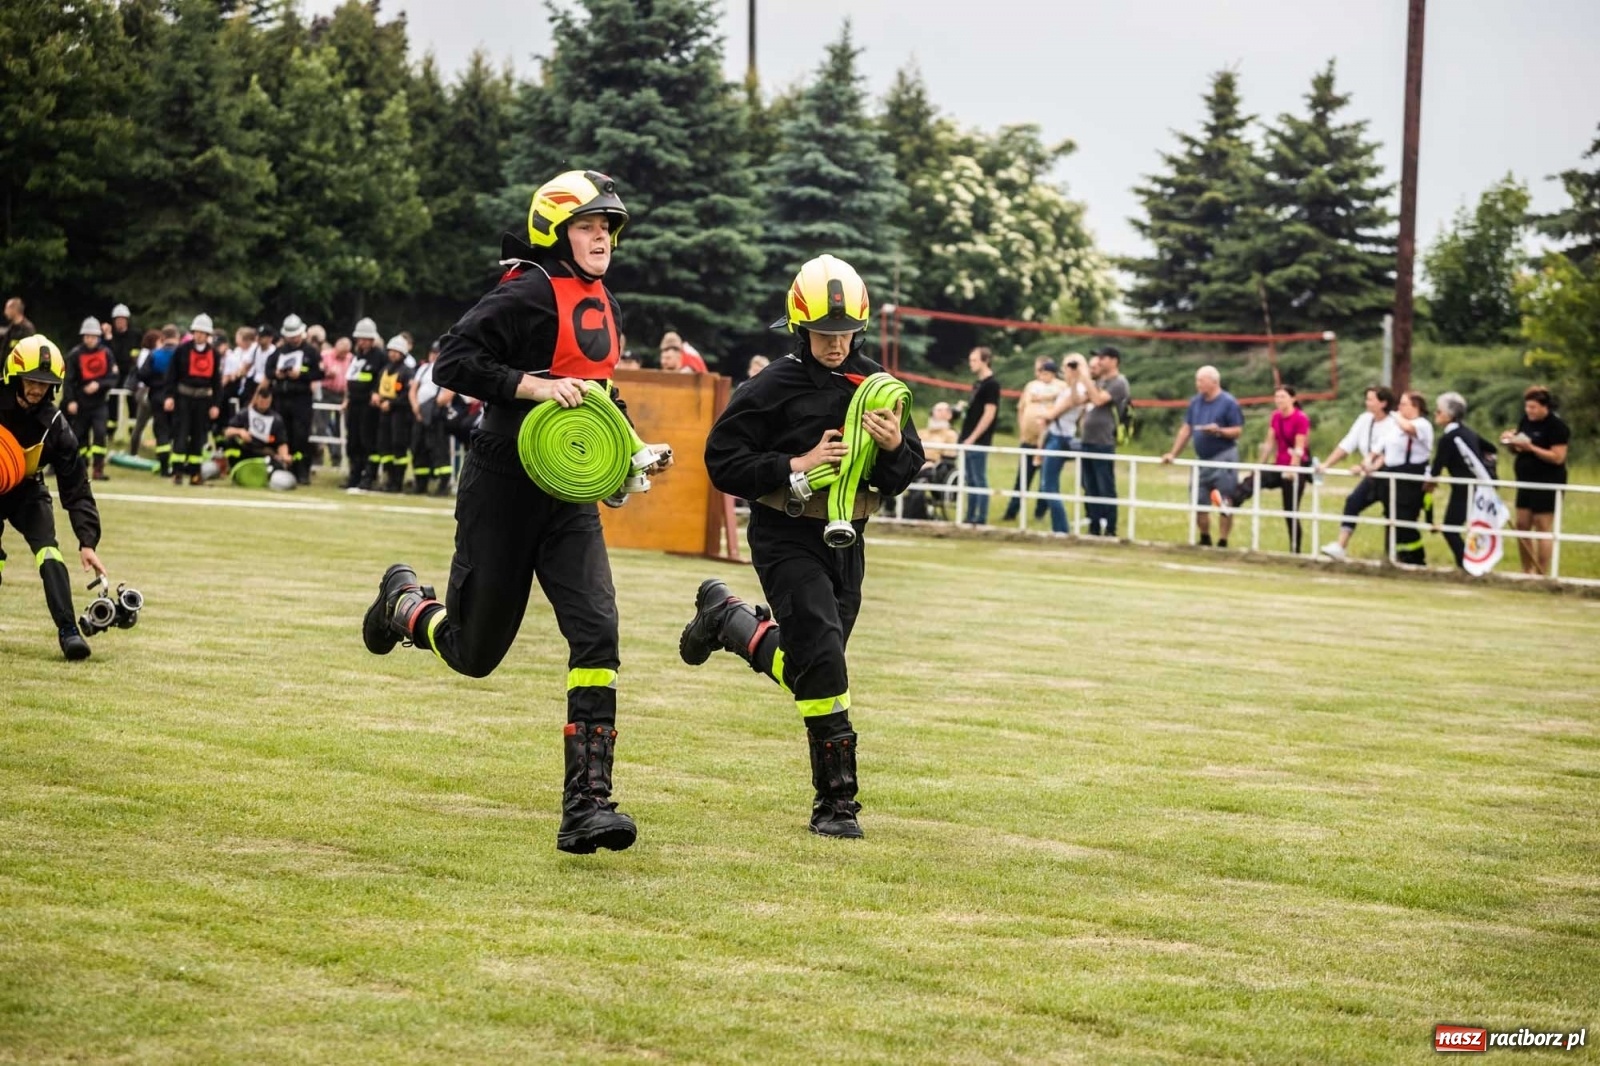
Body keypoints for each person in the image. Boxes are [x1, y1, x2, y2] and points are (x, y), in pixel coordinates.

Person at [360, 169, 667, 855]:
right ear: (556, 230)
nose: (602, 238)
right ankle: (404, 605)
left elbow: (593, 396)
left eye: (608, 227)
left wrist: (633, 453)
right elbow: (452, 362)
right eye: (589, 225)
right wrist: (529, 385)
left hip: (568, 493)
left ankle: (587, 806)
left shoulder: (603, 299)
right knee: (473, 655)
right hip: (502, 483)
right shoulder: (527, 288)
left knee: (598, 632)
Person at [678, 253, 924, 839]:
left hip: (850, 538)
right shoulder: (770, 386)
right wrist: (797, 464)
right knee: (825, 659)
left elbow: (907, 470)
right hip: (785, 532)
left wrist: (894, 449)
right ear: (799, 326)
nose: (835, 344)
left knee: (814, 662)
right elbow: (722, 461)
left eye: (844, 333)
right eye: (823, 333)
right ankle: (837, 806)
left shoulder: (879, 387)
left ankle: (731, 622)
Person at [0, 334, 109, 659]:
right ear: (15, 376)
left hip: (28, 492)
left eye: (45, 384)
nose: (37, 389)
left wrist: (87, 541)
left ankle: (69, 632)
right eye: (32, 380)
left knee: (49, 552)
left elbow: (76, 488)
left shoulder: (56, 428)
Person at [1316, 385, 1408, 561]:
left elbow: (1388, 452)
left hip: (1389, 475)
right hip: (1372, 476)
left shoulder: (1395, 422)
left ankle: (1395, 555)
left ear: (1383, 403)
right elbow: (1347, 444)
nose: (1367, 403)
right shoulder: (1365, 420)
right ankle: (1340, 545)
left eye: (1371, 399)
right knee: (1353, 501)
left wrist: (1364, 466)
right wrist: (1327, 464)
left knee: (1393, 514)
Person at [1161, 365, 1244, 548]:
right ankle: (1204, 536)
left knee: (1224, 501)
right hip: (1202, 459)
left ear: (1214, 382)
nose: (1197, 384)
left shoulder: (1229, 402)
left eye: (1201, 380)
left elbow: (1237, 430)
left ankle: (1223, 540)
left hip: (1224, 456)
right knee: (1198, 500)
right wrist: (1173, 453)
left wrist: (1219, 431)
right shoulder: (1195, 402)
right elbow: (1186, 429)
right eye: (1197, 380)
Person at [1231, 385, 1312, 552]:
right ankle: (1232, 502)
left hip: (1295, 467)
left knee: (1290, 510)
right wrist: (1259, 465)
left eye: (1282, 397)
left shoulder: (1300, 418)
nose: (1279, 400)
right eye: (1277, 397)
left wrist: (1293, 469)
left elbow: (1300, 446)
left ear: (1292, 399)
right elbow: (1269, 444)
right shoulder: (1275, 417)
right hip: (1279, 464)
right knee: (1255, 478)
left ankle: (1295, 549)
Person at [1425, 391, 1496, 570]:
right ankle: (1469, 563)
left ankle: (1467, 564)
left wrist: (1428, 485)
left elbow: (1436, 468)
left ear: (1449, 415)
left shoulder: (1448, 438)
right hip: (1479, 488)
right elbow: (1491, 449)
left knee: (1451, 529)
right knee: (1465, 528)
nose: (1436, 415)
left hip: (1464, 489)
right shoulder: (1468, 432)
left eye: (1438, 412)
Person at [1502, 385, 1569, 576]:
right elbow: (1520, 448)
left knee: (1542, 527)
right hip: (1526, 481)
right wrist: (1511, 442)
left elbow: (1557, 457)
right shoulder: (1526, 421)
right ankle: (1526, 569)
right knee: (1522, 525)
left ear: (1544, 407)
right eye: (1527, 407)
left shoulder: (1557, 427)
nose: (1529, 411)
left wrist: (1532, 448)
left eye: (1533, 407)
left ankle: (1542, 572)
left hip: (1547, 481)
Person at [1002, 357, 1066, 523]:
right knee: (1022, 477)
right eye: (1040, 371)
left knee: (1046, 479)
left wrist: (1045, 398)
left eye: (1045, 371)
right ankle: (1011, 511)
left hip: (1049, 440)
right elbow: (1022, 407)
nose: (1042, 374)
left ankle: (1040, 513)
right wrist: (1022, 427)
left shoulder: (1061, 387)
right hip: (1028, 439)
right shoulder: (1031, 386)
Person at [162, 314, 222, 486]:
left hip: (203, 400)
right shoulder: (182, 350)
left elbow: (217, 382)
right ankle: (178, 471)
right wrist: (169, 396)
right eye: (197, 332)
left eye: (203, 333)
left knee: (199, 437)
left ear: (208, 334)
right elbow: (171, 375)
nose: (199, 335)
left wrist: (215, 405)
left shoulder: (214, 354)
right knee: (180, 436)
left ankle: (195, 473)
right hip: (183, 398)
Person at [1034, 354, 1091, 534]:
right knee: (1048, 485)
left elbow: (1061, 409)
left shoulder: (1081, 389)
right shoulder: (1068, 389)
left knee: (1048, 485)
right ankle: (1058, 526)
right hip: (1056, 436)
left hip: (1060, 438)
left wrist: (1044, 415)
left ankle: (1061, 528)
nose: (1067, 370)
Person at [1377, 390, 1434, 565]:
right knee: (1393, 517)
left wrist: (1394, 415)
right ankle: (1397, 556)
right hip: (1394, 475)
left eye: (1403, 404)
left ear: (1415, 407)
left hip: (1411, 478)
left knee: (1406, 519)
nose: (1399, 408)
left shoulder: (1422, 424)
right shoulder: (1396, 426)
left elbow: (1409, 429)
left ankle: (1417, 558)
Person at [266, 314, 322, 485]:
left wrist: (302, 375)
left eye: (295, 335)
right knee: (284, 435)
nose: (293, 339)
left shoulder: (311, 352)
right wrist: (277, 374)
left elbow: (319, 373)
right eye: (290, 336)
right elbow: (268, 370)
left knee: (301, 436)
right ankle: (284, 467)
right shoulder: (280, 351)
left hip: (301, 400)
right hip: (282, 399)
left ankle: (302, 471)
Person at [1079, 345, 1129, 537]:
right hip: (1087, 440)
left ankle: (1110, 527)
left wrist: (1085, 377)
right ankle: (1093, 525)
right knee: (1089, 485)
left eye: (1103, 358)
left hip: (1103, 441)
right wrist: (1079, 380)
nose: (1099, 361)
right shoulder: (1098, 381)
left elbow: (1099, 400)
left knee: (1105, 485)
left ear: (1114, 361)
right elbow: (1080, 400)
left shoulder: (1118, 382)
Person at [64, 318, 117, 481]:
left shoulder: (106, 353)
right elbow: (68, 381)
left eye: (93, 336)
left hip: (99, 403)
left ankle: (98, 469)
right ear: (83, 336)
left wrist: (99, 385)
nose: (90, 339)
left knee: (100, 433)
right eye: (87, 336)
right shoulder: (75, 354)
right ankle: (81, 468)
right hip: (81, 403)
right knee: (80, 436)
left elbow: (113, 377)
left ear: (98, 337)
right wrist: (70, 400)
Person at [959, 346, 999, 525]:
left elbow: (989, 413)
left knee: (978, 478)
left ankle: (980, 517)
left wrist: (973, 437)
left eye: (974, 360)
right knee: (970, 479)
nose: (971, 364)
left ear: (985, 361)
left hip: (978, 439)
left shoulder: (992, 385)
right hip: (967, 435)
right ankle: (970, 515)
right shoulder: (978, 384)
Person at [407, 340, 453, 497]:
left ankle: (443, 484)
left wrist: (433, 407)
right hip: (420, 412)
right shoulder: (424, 368)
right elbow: (413, 389)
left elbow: (449, 392)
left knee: (439, 449)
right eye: (433, 352)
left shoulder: (448, 369)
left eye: (437, 353)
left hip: (436, 415)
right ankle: (421, 483)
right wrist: (416, 407)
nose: (434, 355)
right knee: (418, 448)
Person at [343, 318, 384, 490]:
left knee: (367, 440)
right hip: (354, 403)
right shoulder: (357, 356)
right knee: (353, 441)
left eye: (363, 338)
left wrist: (376, 393)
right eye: (358, 338)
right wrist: (347, 398)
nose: (360, 341)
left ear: (372, 339)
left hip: (368, 405)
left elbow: (381, 378)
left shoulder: (379, 356)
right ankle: (354, 475)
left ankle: (369, 476)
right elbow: (351, 379)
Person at [371, 336, 415, 493]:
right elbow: (377, 387)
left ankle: (398, 481)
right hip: (384, 414)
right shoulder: (384, 370)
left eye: (396, 352)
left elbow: (407, 395)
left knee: (399, 447)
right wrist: (375, 395)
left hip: (400, 415)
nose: (393, 354)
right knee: (385, 447)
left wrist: (392, 403)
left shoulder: (407, 372)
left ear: (402, 353)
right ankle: (388, 479)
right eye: (391, 351)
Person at [136, 326, 179, 474]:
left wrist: (153, 383)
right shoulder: (181, 354)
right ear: (177, 337)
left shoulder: (155, 355)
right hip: (177, 397)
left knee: (161, 432)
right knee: (177, 431)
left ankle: (164, 468)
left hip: (157, 396)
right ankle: (178, 466)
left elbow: (141, 374)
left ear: (162, 338)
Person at [221, 384, 293, 470]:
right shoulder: (245, 413)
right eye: (262, 401)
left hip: (264, 451)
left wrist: (284, 455)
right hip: (245, 449)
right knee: (230, 442)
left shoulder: (276, 420)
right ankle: (234, 467)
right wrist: (240, 431)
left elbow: (282, 442)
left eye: (267, 402)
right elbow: (227, 431)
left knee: (279, 465)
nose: (264, 404)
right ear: (256, 399)